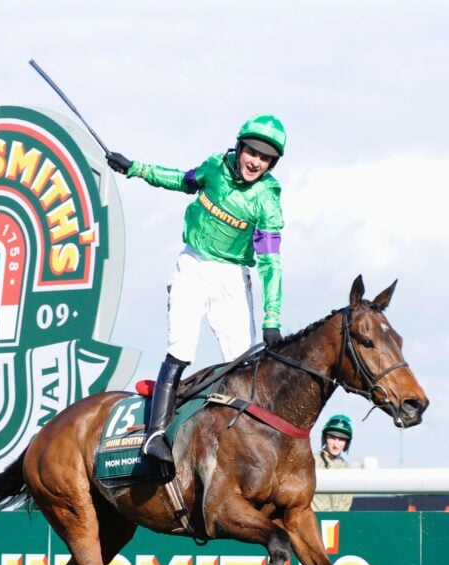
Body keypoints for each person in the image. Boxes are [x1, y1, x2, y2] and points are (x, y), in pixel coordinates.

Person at [106, 114, 288, 464]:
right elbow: (181, 180)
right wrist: (134, 168)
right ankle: (155, 434)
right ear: (239, 147)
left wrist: (272, 317)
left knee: (244, 361)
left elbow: (271, 263)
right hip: (192, 266)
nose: (255, 163)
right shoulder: (213, 168)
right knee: (181, 348)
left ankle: (248, 442)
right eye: (252, 152)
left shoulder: (268, 201)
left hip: (233, 277)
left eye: (265, 159)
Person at [313, 414, 354, 511]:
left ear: (346, 443)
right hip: (315, 521)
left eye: (341, 439)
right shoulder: (311, 461)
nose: (336, 445)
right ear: (325, 438)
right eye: (332, 437)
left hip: (340, 521)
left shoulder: (348, 468)